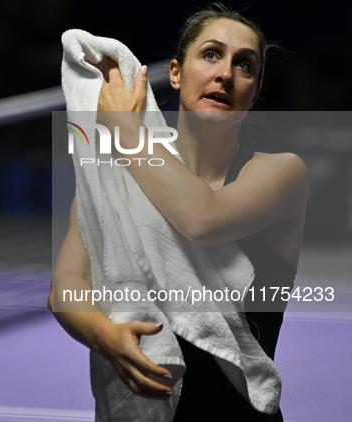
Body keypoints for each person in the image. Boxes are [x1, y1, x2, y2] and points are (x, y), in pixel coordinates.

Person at [48, 4, 308, 421]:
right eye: (210, 54)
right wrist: (105, 334)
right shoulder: (116, 176)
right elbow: (66, 283)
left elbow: (203, 219)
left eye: (244, 65)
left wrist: (124, 129)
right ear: (175, 73)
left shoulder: (282, 172)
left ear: (255, 93)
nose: (225, 73)